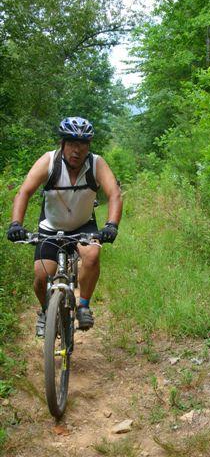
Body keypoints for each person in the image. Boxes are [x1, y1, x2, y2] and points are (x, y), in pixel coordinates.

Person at [7, 117, 123, 337]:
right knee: (41, 277)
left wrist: (111, 225)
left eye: (82, 144)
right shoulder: (49, 162)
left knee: (91, 255)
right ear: (62, 144)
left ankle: (84, 306)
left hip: (83, 226)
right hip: (50, 227)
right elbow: (24, 192)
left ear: (89, 146)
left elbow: (114, 193)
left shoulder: (96, 164)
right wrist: (16, 224)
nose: (76, 150)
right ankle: (45, 312)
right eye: (71, 143)